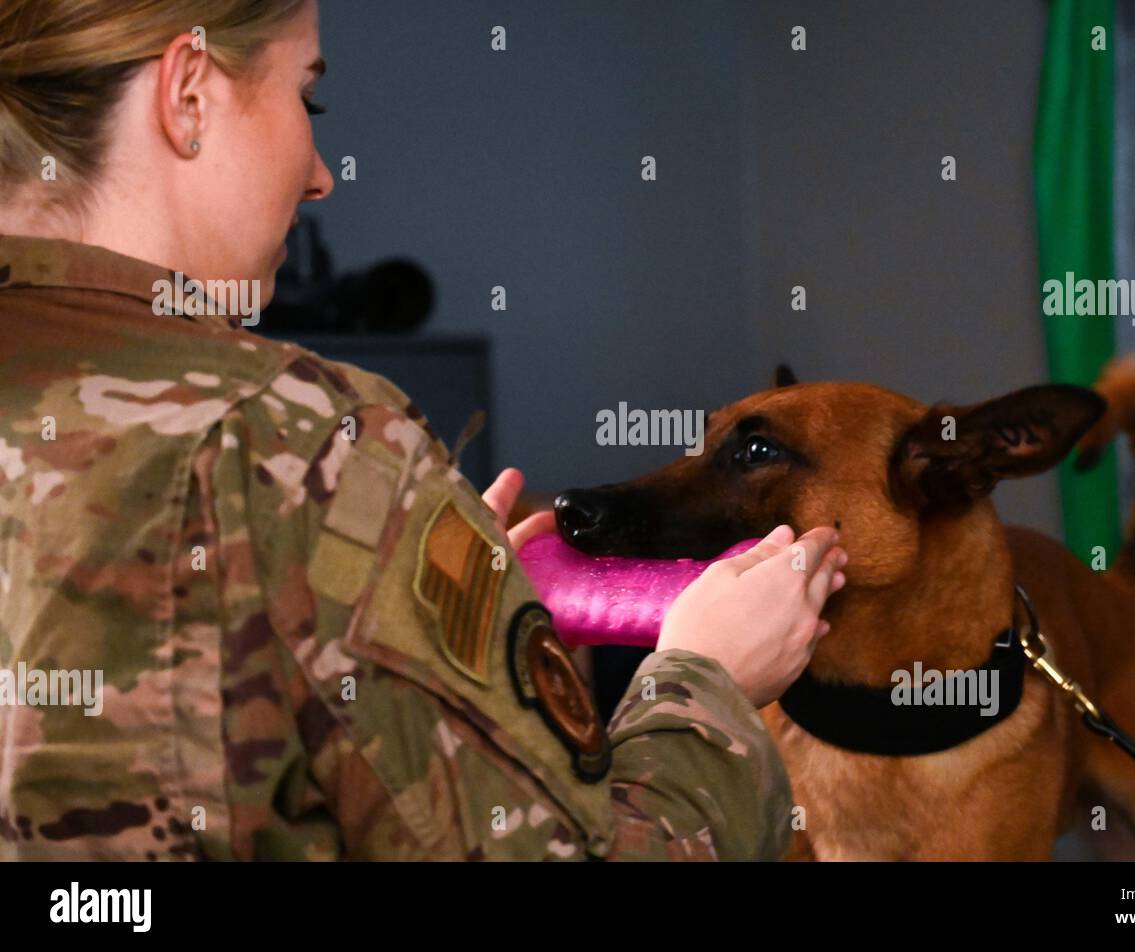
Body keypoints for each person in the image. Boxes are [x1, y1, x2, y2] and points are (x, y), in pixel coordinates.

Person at [0, 0, 847, 860]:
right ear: (187, 92)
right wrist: (707, 686)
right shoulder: (295, 442)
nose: (322, 173)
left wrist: (416, 608)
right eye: (307, 99)